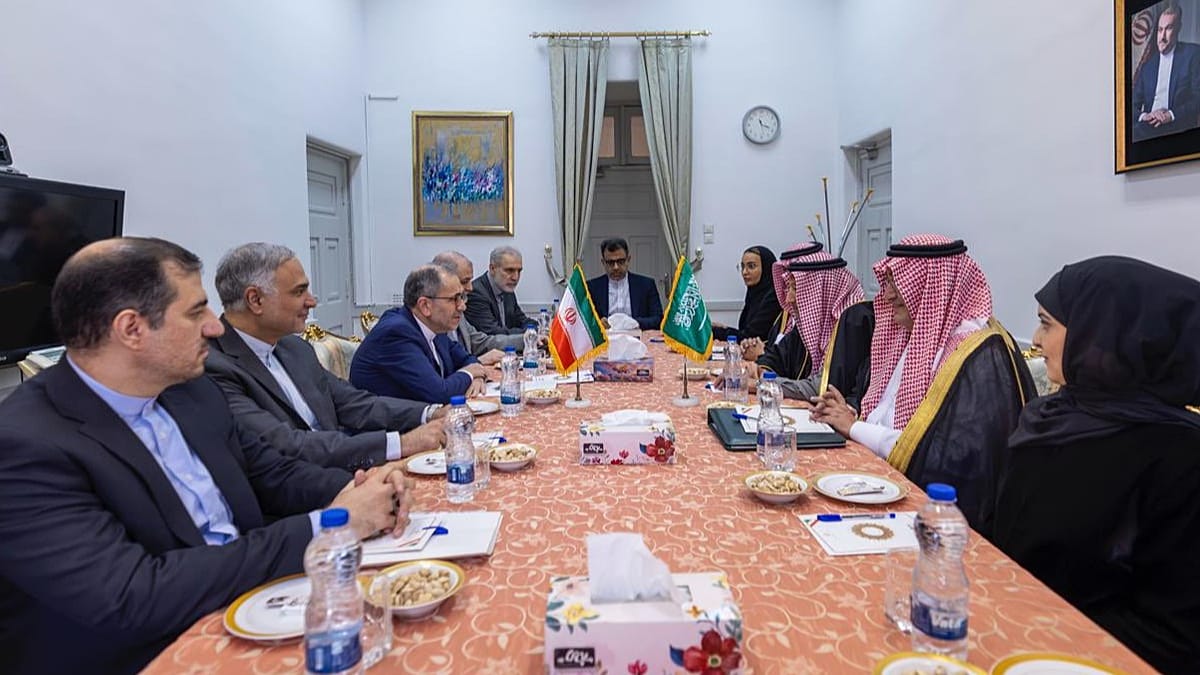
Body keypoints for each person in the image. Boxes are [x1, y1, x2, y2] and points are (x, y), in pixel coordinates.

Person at [0, 237, 413, 675]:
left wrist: (361, 489)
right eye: (196, 312)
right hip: (152, 654)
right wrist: (328, 525)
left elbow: (273, 473)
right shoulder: (25, 446)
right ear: (131, 329)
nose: (215, 327)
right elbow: (134, 595)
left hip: (253, 604)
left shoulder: (191, 390)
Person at [992, 256, 1200, 674]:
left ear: (1103, 331)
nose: (1035, 340)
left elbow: (1173, 634)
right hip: (1004, 625)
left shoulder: (1181, 457)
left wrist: (1035, 628)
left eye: (1047, 324)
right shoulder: (1049, 418)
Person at [809, 234, 1033, 533]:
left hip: (936, 518)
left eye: (896, 283)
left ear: (930, 287)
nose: (887, 295)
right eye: (887, 283)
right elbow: (887, 417)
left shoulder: (976, 355)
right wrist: (848, 413)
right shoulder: (911, 335)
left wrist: (855, 428)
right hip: (876, 480)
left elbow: (946, 458)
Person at [205, 243, 447, 471]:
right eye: (299, 292)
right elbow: (287, 444)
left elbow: (354, 403)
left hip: (346, 469)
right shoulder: (214, 367)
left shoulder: (294, 348)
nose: (312, 301)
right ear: (255, 300)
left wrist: (430, 413)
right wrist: (401, 444)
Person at [745, 243, 874, 408]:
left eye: (795, 288)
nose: (789, 298)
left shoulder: (853, 323)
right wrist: (761, 369)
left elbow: (822, 387)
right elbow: (777, 356)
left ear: (818, 290)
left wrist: (763, 385)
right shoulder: (811, 323)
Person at [351, 264, 488, 403]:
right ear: (425, 306)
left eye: (462, 297)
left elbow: (467, 359)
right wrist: (470, 373)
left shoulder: (435, 327)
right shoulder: (396, 334)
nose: (462, 306)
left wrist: (477, 377)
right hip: (390, 416)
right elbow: (439, 393)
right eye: (453, 299)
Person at [432, 250, 524, 364]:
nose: (470, 288)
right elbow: (443, 370)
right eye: (465, 281)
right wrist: (477, 363)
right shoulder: (431, 323)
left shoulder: (458, 309)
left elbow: (480, 342)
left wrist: (527, 339)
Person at [1132, 3, 1200, 142]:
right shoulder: (1148, 66)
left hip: (1177, 125)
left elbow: (1197, 98)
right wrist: (1145, 116)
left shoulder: (1193, 55)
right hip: (1148, 126)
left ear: (1178, 28)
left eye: (1168, 29)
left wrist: (1170, 115)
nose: (1162, 37)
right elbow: (1131, 105)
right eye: (1159, 30)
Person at [585, 237, 664, 330]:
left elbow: (658, 319)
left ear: (628, 259)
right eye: (610, 262)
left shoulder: (646, 285)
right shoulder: (592, 287)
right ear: (603, 262)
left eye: (620, 261)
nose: (616, 267)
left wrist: (635, 323)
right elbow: (584, 320)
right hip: (605, 336)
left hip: (637, 335)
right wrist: (597, 323)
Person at [712, 245, 782, 342]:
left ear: (766, 268)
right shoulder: (754, 294)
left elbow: (751, 337)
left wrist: (715, 332)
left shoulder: (774, 297)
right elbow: (745, 332)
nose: (744, 272)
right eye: (742, 267)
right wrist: (724, 329)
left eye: (751, 266)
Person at [464, 245, 530, 335]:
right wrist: (530, 333)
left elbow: (523, 320)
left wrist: (535, 328)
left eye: (519, 271)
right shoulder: (476, 293)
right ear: (492, 269)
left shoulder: (507, 289)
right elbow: (494, 332)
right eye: (509, 270)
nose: (515, 277)